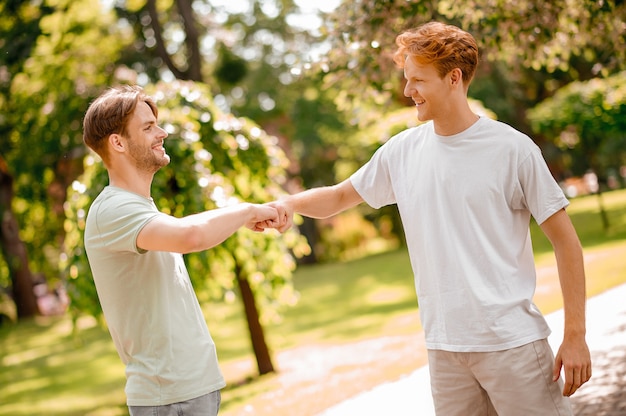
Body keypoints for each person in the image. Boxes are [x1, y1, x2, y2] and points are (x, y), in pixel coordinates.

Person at [267, 22, 591, 415]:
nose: (407, 91)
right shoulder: (402, 151)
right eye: (407, 79)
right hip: (445, 349)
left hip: (511, 344)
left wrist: (575, 333)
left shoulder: (513, 150)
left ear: (453, 78)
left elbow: (566, 242)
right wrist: (288, 203)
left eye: (418, 79)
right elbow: (338, 196)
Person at [82, 85, 279, 416]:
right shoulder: (112, 210)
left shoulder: (140, 208)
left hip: (188, 391)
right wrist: (246, 211)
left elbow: (188, 228)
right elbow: (191, 236)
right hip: (168, 398)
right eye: (148, 127)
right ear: (117, 142)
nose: (162, 133)